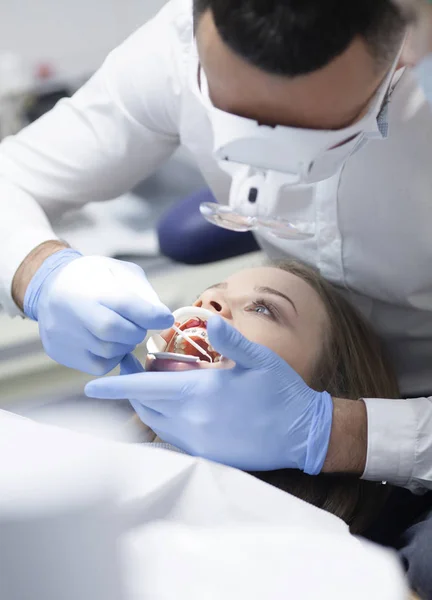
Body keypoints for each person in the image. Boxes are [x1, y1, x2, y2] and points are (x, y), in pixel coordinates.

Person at [1, 0, 432, 590]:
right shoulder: (175, 46)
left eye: (306, 127)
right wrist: (42, 271)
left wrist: (337, 432)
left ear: (410, 40)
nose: (208, 306)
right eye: (236, 114)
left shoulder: (326, 568)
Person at [123, 261, 400, 534]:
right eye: (205, 294)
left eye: (262, 309)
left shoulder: (301, 546)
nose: (208, 299)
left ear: (328, 393)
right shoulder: (98, 450)